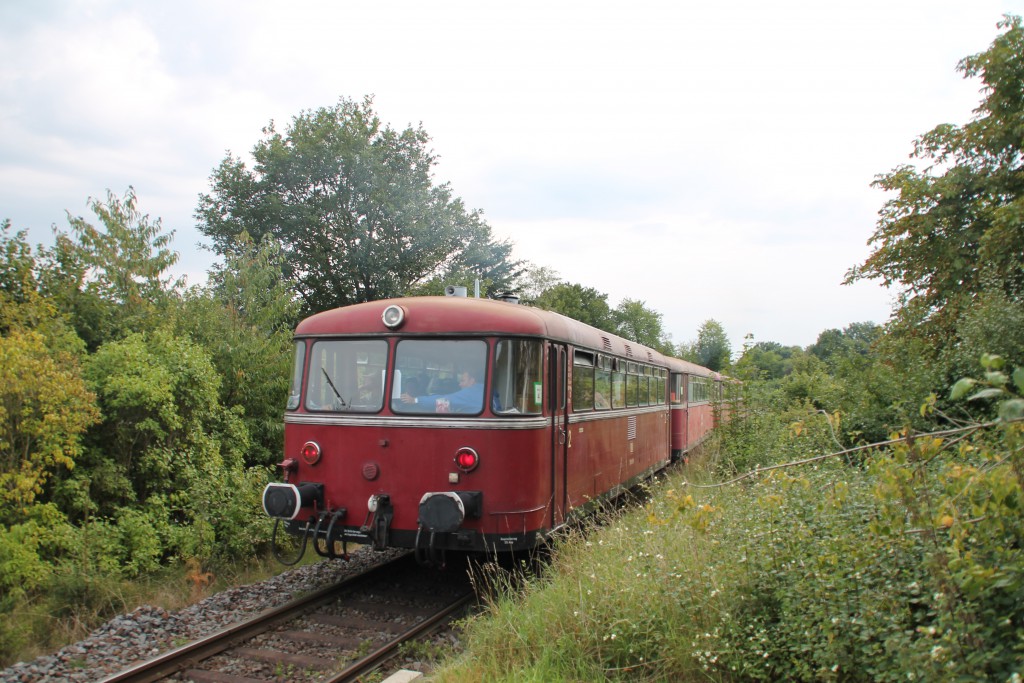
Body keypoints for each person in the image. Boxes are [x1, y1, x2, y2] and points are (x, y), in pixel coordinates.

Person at [400, 367, 483, 413]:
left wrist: (415, 400)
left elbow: (445, 401)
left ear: (472, 381)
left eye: (462, 380)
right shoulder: (483, 391)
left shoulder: (472, 392)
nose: (459, 384)